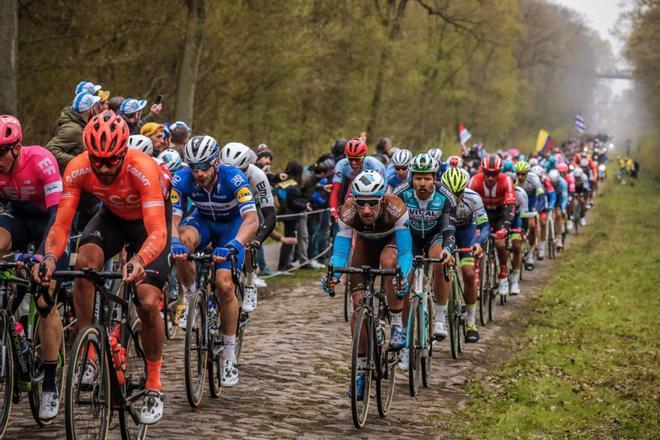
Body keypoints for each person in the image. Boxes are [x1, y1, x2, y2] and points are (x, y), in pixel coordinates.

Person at [34, 110, 172, 424]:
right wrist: (51, 258)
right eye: (97, 160)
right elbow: (61, 226)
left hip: (148, 224)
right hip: (111, 218)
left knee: (149, 301)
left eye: (111, 160)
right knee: (84, 264)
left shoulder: (143, 169)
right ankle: (90, 347)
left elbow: (158, 233)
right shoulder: (78, 168)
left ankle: (153, 383)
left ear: (123, 152)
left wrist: (138, 260)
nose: (104, 167)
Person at [170, 135, 259, 386]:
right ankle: (189, 299)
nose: (198, 173)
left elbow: (252, 220)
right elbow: (174, 217)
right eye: (193, 167)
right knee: (182, 246)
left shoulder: (234, 177)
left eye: (204, 167)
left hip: (232, 227)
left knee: (224, 285)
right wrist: (174, 241)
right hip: (203, 221)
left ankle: (229, 355)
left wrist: (234, 244)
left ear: (216, 162)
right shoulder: (181, 178)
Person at [321, 170, 412, 400]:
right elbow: (341, 254)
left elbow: (406, 252)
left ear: (382, 199)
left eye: (372, 203)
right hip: (365, 245)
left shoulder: (396, 208)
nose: (366, 210)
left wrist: (402, 274)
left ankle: (398, 324)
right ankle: (361, 371)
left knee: (390, 263)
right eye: (361, 203)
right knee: (358, 306)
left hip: (391, 244)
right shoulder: (348, 211)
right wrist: (333, 273)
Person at [0, 115, 67, 420]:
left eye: (1, 153)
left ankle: (51, 384)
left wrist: (44, 257)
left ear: (16, 148)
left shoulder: (41, 160)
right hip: (20, 219)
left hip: (51, 224)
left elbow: (58, 213)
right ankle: (8, 318)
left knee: (43, 299)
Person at [395, 153, 456, 367]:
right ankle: (404, 344)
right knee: (403, 284)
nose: (422, 183)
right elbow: (393, 226)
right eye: (418, 178)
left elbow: (449, 228)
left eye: (427, 178)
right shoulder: (401, 193)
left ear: (435, 178)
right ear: (412, 177)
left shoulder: (445, 195)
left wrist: (448, 249)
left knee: (439, 260)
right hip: (410, 238)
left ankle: (439, 317)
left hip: (435, 236)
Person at [219, 142, 277, 311]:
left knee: (249, 245)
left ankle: (250, 283)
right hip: (224, 210)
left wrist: (258, 241)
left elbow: (270, 215)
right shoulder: (215, 172)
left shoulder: (257, 175)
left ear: (246, 167)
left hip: (248, 211)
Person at [441, 167, 489, 341]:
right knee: (439, 270)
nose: (454, 197)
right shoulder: (437, 197)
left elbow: (484, 226)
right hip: (446, 232)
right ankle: (440, 315)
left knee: (468, 273)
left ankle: (470, 321)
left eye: (458, 193)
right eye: (450, 192)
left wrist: (478, 243)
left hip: (466, 233)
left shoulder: (473, 198)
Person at [468, 154, 516, 296]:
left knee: (500, 243)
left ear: (499, 172)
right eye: (487, 173)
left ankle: (503, 273)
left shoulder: (506, 180)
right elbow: (468, 203)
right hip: (483, 213)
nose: (490, 177)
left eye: (494, 174)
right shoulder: (475, 181)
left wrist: (505, 227)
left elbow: (510, 206)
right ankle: (477, 275)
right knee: (477, 243)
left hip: (501, 213)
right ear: (483, 171)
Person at [329, 137, 386, 220]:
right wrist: (333, 211)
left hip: (376, 186)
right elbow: (335, 191)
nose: (353, 163)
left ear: (364, 156)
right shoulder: (341, 165)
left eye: (357, 159)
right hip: (354, 185)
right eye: (350, 159)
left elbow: (382, 190)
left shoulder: (373, 164)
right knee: (348, 201)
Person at [276, 161, 310, 271]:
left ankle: (287, 264)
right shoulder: (291, 184)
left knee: (289, 240)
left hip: (287, 214)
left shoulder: (284, 181)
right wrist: (304, 205)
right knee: (288, 241)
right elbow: (292, 202)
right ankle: (283, 267)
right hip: (290, 215)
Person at [515, 160, 544, 269]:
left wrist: (536, 209)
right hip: (519, 201)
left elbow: (541, 196)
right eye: (518, 173)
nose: (520, 176)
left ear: (527, 173)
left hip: (531, 201)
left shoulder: (534, 179)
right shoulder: (514, 180)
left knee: (532, 225)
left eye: (523, 174)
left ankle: (530, 255)